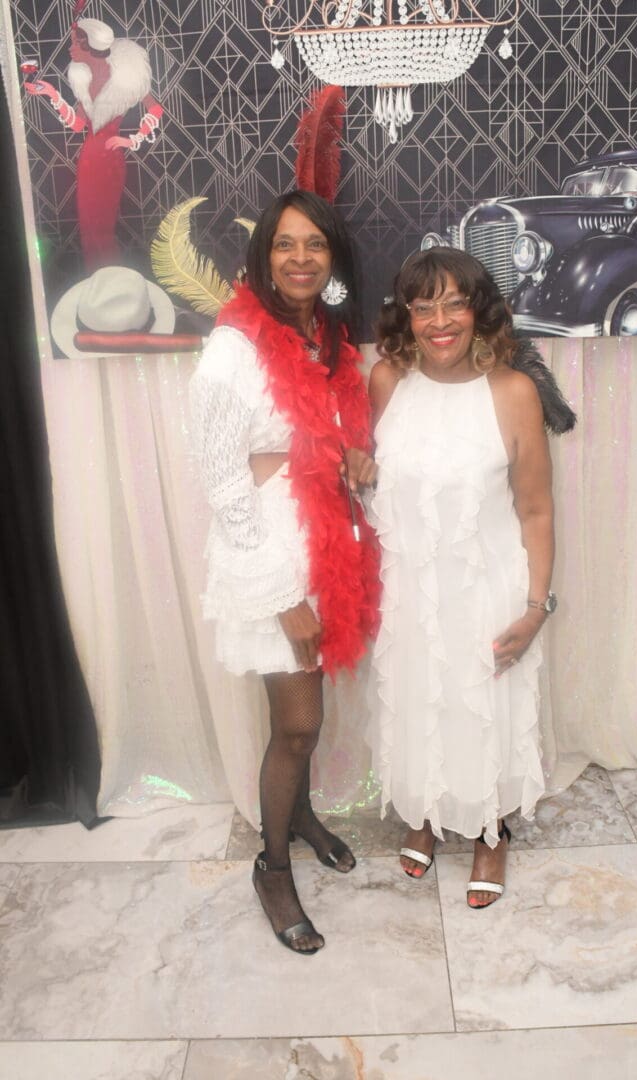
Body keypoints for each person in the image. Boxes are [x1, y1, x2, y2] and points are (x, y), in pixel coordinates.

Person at [189, 191, 379, 954]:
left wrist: (355, 458)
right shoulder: (234, 348)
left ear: (331, 258)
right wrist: (279, 595)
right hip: (267, 557)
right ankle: (272, 867)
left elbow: (328, 442)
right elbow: (221, 477)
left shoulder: (325, 336)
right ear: (262, 255)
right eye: (285, 245)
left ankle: (298, 818)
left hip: (325, 545)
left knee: (312, 715)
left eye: (315, 246)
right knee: (297, 725)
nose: (300, 258)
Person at [367, 247, 575, 908]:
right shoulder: (386, 382)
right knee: (419, 697)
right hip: (409, 588)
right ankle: (425, 814)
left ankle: (490, 830)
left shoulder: (514, 393)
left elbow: (536, 508)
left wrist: (536, 607)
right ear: (406, 315)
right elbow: (386, 489)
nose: (438, 321)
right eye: (422, 305)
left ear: (479, 309)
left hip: (487, 590)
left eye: (454, 302)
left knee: (480, 708)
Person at [24, 18, 163, 269]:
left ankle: (112, 287)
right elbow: (78, 125)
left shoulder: (126, 78)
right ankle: (97, 286)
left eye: (75, 43)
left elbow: (155, 109)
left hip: (110, 161)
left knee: (103, 230)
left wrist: (131, 139)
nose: (70, 48)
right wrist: (52, 94)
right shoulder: (83, 80)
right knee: (88, 230)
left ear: (89, 46)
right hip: (88, 160)